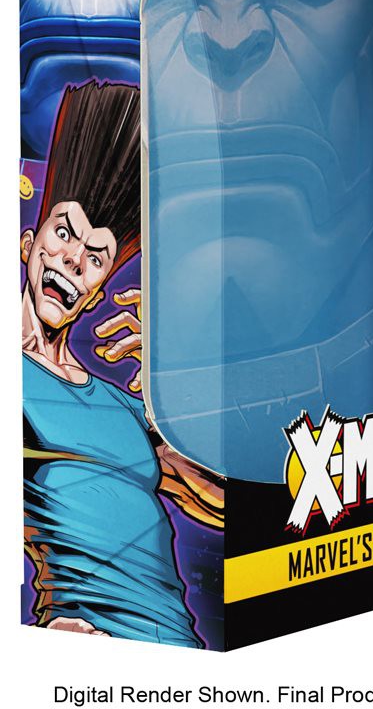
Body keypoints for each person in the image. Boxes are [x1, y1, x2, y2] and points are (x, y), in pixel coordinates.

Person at [22, 79, 223, 645]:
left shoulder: (126, 405)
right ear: (29, 242)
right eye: (65, 233)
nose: (71, 260)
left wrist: (178, 383)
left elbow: (232, 506)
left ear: (98, 290)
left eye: (95, 257)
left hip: (181, 646)